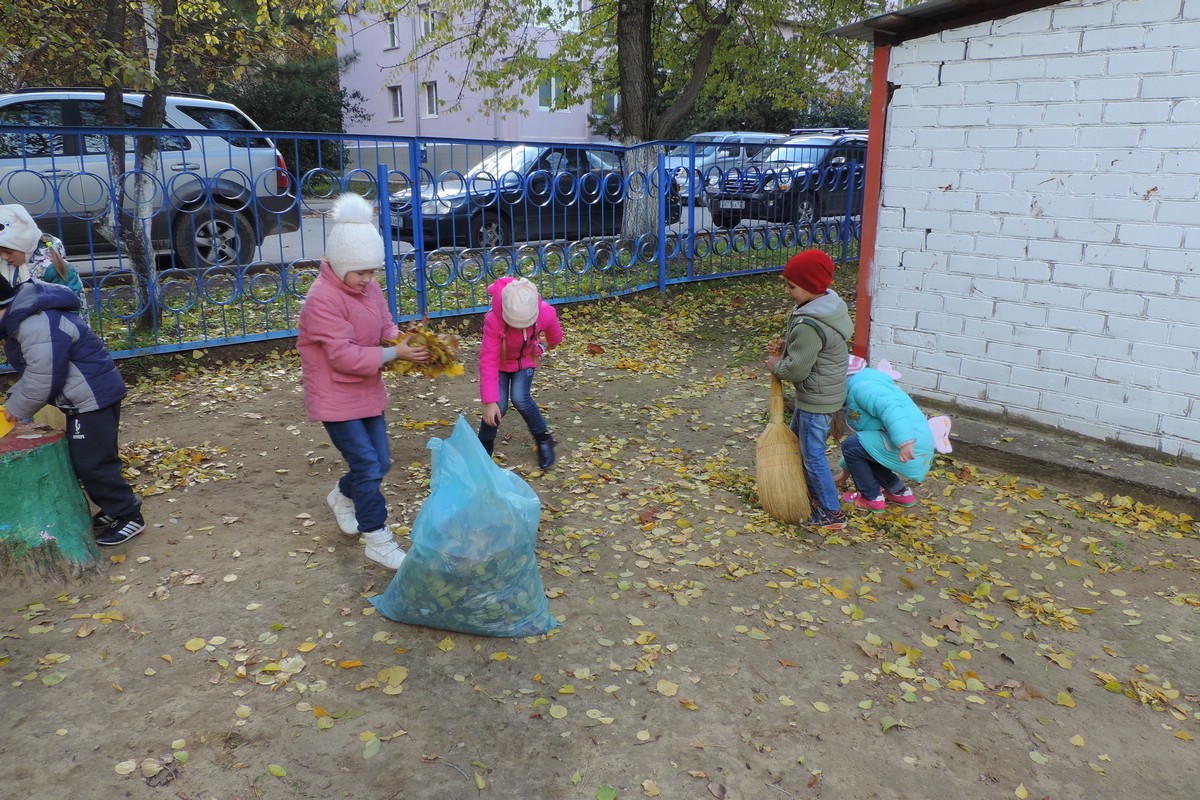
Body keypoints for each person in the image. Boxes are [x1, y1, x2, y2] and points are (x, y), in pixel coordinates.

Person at [296, 193, 428, 570]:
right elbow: (343, 356)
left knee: (380, 462)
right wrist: (393, 354)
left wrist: (400, 339)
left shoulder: (367, 287)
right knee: (368, 465)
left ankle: (341, 496)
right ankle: (377, 537)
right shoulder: (321, 300)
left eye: (373, 271)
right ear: (339, 265)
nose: (369, 279)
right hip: (335, 396)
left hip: (366, 388)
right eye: (362, 273)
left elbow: (385, 322)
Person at [0, 274, 144, 546]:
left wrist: (15, 408)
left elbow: (44, 377)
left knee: (94, 463)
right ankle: (113, 508)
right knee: (88, 460)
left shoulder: (34, 325)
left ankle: (128, 515)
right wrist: (13, 396)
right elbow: (37, 370)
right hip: (86, 398)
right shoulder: (25, 322)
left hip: (92, 400)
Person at [766, 249, 854, 531]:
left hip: (816, 398)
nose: (789, 291)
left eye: (792, 286)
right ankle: (805, 489)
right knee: (795, 440)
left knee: (812, 454)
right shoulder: (827, 306)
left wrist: (778, 364)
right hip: (821, 393)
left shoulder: (810, 323)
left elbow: (796, 370)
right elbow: (806, 354)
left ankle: (832, 512)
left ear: (811, 286)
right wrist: (787, 352)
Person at [477, 275, 563, 469]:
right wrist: (489, 403)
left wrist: (552, 341)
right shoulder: (493, 321)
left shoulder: (543, 312)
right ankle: (483, 447)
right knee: (499, 406)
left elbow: (553, 328)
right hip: (499, 363)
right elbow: (488, 361)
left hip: (526, 360)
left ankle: (543, 439)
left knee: (520, 398)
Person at [834, 356, 938, 512]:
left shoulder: (863, 388)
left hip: (910, 443)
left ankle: (871, 497)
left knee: (851, 445)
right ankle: (899, 492)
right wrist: (844, 472)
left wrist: (905, 440)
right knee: (862, 447)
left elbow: (891, 409)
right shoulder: (870, 383)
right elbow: (864, 447)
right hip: (915, 444)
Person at [0, 204, 87, 315]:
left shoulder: (49, 266)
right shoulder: (4, 265)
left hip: (56, 326)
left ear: (25, 245)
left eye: (9, 252)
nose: (4, 257)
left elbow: (73, 301)